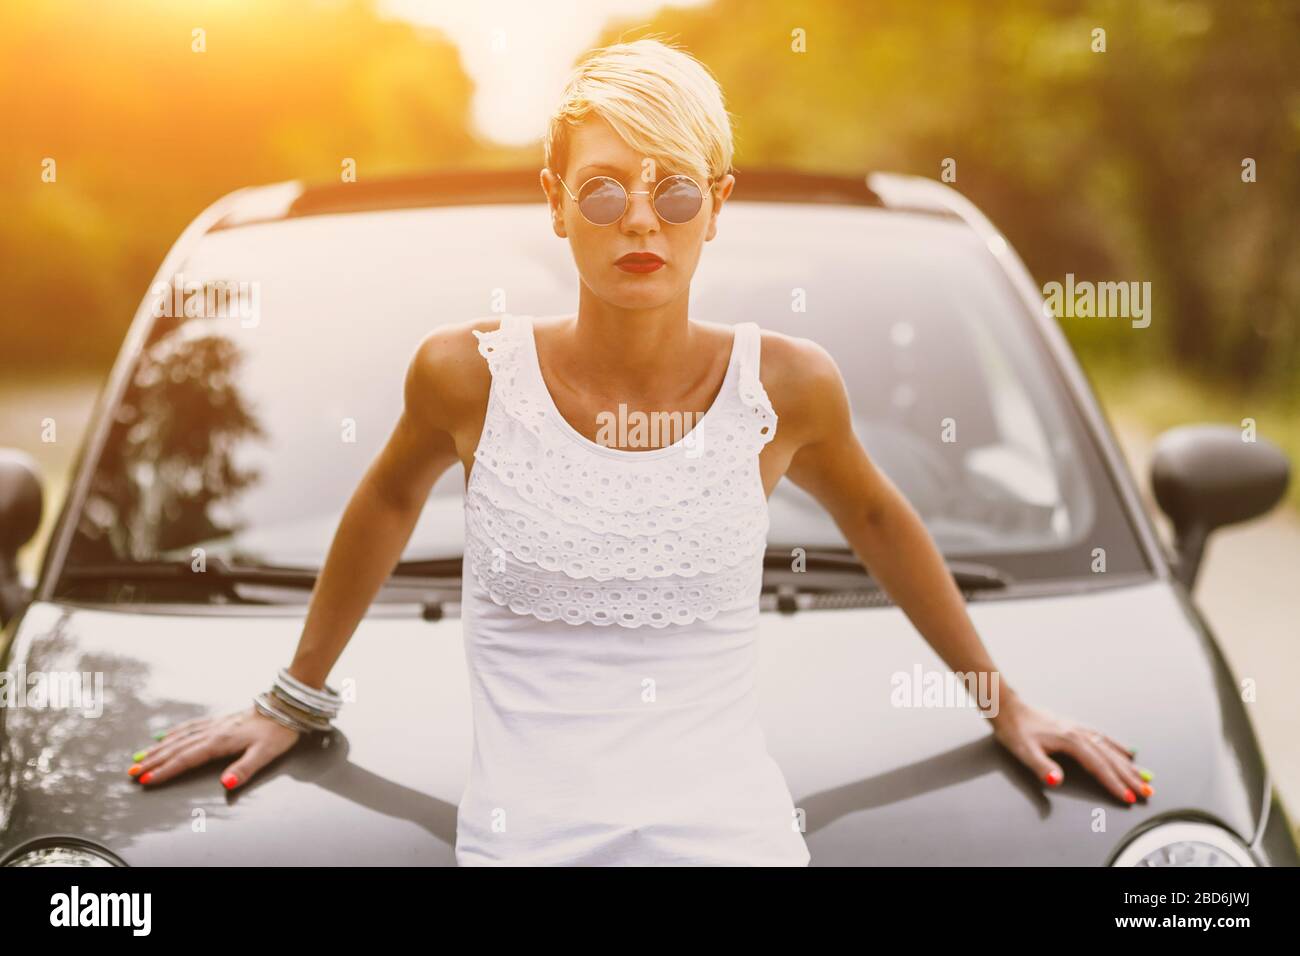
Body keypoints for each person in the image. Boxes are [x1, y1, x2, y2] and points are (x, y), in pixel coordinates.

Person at [126, 36, 1153, 864]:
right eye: (606, 190)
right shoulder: (465, 376)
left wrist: (1003, 702)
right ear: (556, 202)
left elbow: (879, 518)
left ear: (717, 206)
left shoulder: (786, 386)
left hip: (730, 839)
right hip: (522, 841)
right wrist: (291, 697)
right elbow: (388, 502)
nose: (640, 223)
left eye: (675, 192)